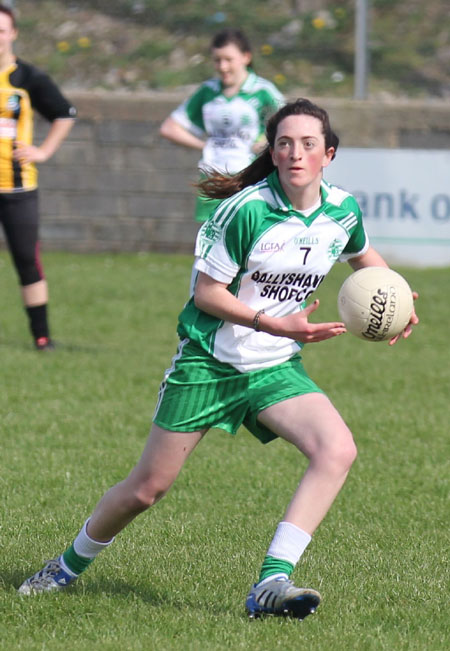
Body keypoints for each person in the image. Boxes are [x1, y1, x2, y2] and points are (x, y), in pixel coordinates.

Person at [18, 99, 418, 620]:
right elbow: (208, 295)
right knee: (146, 489)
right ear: (272, 154)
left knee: (337, 450)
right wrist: (272, 322)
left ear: (329, 154)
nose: (296, 153)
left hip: (273, 366)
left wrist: (399, 299)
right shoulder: (246, 210)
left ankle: (272, 580)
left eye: (308, 144)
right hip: (208, 363)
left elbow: (365, 258)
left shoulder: (342, 210)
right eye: (284, 143)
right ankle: (68, 565)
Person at [0, 4, 76, 351]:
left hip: (18, 188)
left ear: (13, 33)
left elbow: (64, 113)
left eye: (2, 30)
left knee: (27, 259)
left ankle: (41, 338)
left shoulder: (29, 79)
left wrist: (43, 152)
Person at [159, 28, 284, 223]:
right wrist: (204, 146)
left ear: (246, 57)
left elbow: (289, 124)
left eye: (228, 59)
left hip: (249, 176)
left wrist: (265, 143)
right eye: (217, 60)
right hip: (213, 177)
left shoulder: (263, 91)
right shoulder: (208, 92)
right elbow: (169, 128)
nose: (222, 66)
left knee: (247, 237)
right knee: (210, 241)